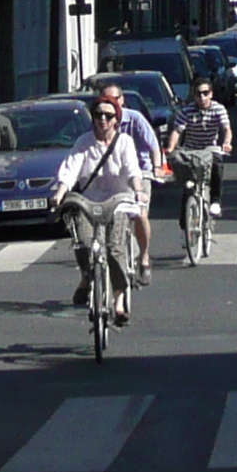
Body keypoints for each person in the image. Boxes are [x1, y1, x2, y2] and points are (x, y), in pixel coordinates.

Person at [51, 97, 149, 323]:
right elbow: (70, 170)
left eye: (108, 116)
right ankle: (87, 277)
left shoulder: (124, 142)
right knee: (83, 243)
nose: (103, 120)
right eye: (98, 115)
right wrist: (59, 193)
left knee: (115, 250)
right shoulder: (84, 142)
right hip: (89, 202)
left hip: (119, 201)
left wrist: (138, 190)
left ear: (117, 119)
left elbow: (133, 170)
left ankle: (119, 300)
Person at [93, 84, 161, 276]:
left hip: (140, 171)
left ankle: (144, 257)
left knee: (140, 214)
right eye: (106, 100)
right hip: (113, 175)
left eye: (114, 100)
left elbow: (154, 146)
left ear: (122, 101)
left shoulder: (135, 119)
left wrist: (156, 169)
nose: (110, 105)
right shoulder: (99, 122)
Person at [171, 78, 235, 216]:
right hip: (190, 148)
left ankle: (215, 201)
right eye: (198, 94)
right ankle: (185, 221)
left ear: (211, 94)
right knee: (188, 183)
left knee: (217, 163)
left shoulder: (218, 109)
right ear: (194, 96)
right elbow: (177, 130)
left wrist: (226, 143)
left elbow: (226, 129)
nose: (202, 97)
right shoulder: (187, 111)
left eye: (205, 93)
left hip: (209, 148)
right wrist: (171, 148)